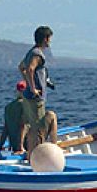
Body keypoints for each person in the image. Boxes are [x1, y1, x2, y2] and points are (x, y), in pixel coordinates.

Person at [20, 26, 56, 156]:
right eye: (49, 39)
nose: (50, 42)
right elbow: (29, 69)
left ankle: (30, 155)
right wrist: (33, 88)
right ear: (45, 39)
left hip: (28, 96)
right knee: (39, 128)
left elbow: (21, 67)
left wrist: (29, 84)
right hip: (35, 97)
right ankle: (36, 157)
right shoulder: (37, 54)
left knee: (32, 127)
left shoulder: (31, 52)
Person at [0, 80, 29, 154]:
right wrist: (21, 147)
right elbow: (23, 125)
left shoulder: (8, 107)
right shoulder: (26, 106)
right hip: (26, 146)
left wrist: (0, 145)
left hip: (14, 146)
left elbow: (5, 129)